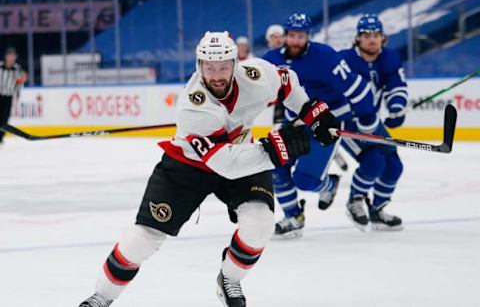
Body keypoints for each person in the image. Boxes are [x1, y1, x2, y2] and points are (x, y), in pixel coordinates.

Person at [79, 31, 340, 307]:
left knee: (259, 224)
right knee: (142, 239)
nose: (217, 75)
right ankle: (101, 296)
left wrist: (314, 113)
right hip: (189, 166)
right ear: (199, 66)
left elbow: (286, 81)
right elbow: (225, 164)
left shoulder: (256, 76)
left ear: (235, 64)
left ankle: (229, 279)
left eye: (224, 67)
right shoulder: (193, 107)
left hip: (243, 152)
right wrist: (275, 150)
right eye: (209, 67)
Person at [263, 13, 379, 239]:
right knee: (275, 166)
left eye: (301, 36)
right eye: (292, 36)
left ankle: (329, 185)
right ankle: (294, 218)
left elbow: (357, 87)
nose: (296, 40)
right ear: (285, 36)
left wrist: (367, 120)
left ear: (308, 36)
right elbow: (252, 91)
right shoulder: (271, 59)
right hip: (295, 122)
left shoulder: (324, 56)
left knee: (305, 180)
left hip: (324, 123)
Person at [340, 13, 407, 231]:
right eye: (366, 35)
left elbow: (396, 86)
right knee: (373, 163)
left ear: (383, 37)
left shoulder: (389, 59)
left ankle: (377, 211)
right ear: (358, 38)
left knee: (394, 166)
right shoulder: (344, 61)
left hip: (373, 122)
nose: (372, 39)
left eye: (376, 34)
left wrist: (397, 108)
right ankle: (355, 200)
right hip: (346, 123)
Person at [0, 47, 26, 145]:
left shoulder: (17, 68)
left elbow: (19, 82)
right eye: (10, 56)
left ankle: (0, 137)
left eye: (13, 56)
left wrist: (18, 94)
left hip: (8, 96)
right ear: (6, 57)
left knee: (5, 118)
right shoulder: (0, 66)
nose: (12, 58)